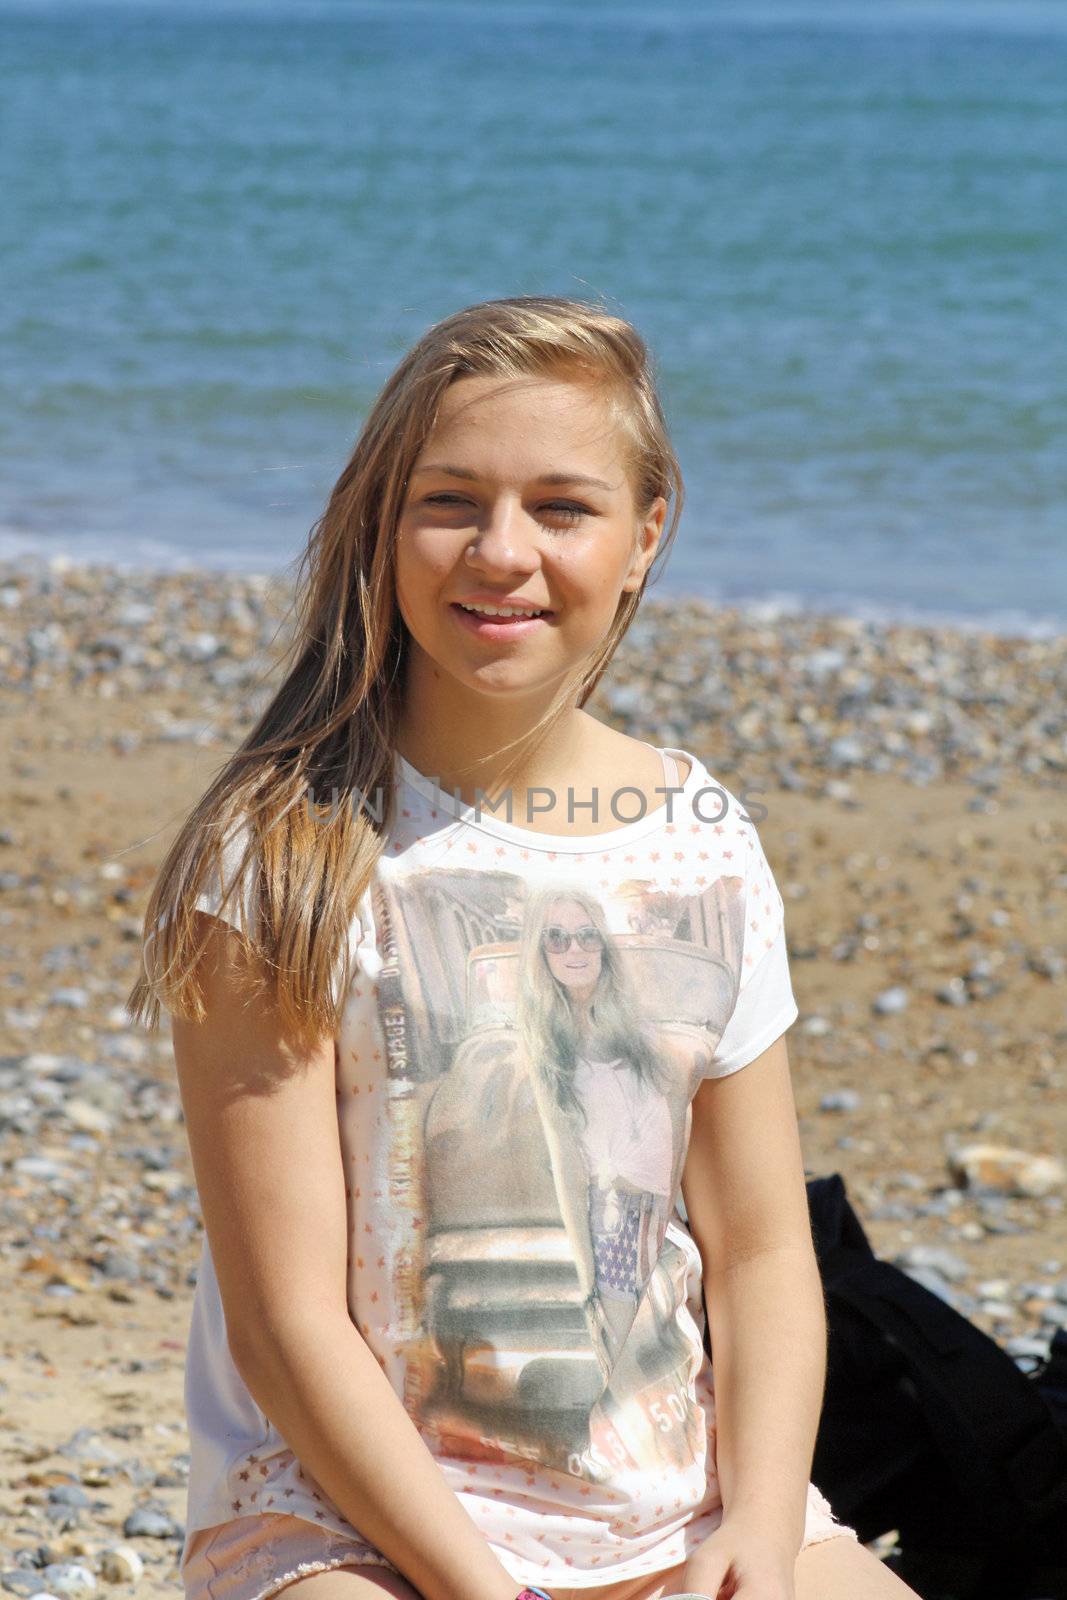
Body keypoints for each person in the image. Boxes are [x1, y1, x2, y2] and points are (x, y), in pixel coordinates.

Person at [130, 296, 922, 1600]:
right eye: (450, 502)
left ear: (642, 536)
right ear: (384, 527)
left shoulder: (702, 843)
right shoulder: (283, 855)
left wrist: (767, 1530)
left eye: (562, 507)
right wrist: (484, 1591)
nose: (502, 552)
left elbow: (764, 1249)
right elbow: (284, 1324)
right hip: (349, 1529)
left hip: (677, 1511)